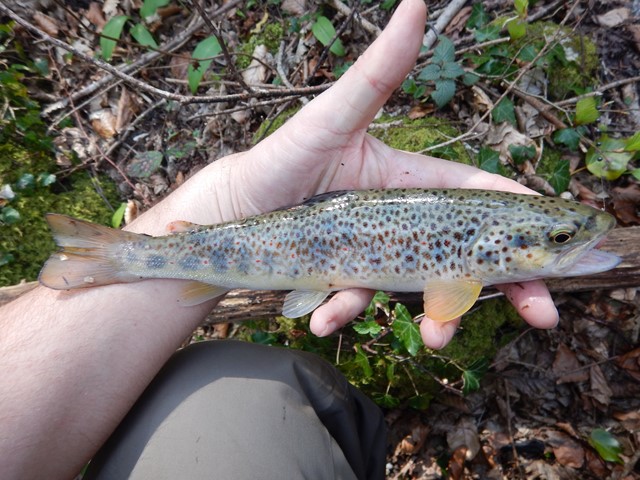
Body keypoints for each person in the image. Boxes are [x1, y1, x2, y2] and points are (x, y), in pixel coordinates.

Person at [0, 0, 560, 478]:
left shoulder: (472, 259)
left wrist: (224, 204)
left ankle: (122, 256)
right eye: (558, 238)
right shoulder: (465, 271)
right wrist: (228, 201)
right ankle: (122, 256)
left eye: (558, 237)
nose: (562, 246)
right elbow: (445, 299)